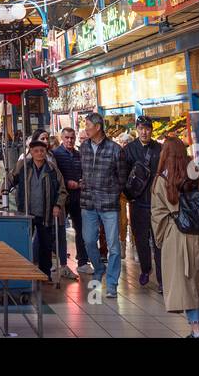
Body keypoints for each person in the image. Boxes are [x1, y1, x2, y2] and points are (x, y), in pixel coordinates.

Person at [152, 136, 199, 336]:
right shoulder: (198, 175)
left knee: (187, 282)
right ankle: (198, 326)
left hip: (177, 235)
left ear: (165, 154)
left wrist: (161, 238)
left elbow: (157, 214)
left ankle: (196, 330)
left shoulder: (161, 180)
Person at [80, 112, 128, 298]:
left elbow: (122, 177)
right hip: (88, 202)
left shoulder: (115, 149)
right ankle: (99, 269)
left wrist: (113, 191)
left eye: (87, 125)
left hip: (109, 204)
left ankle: (112, 283)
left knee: (113, 245)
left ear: (98, 127)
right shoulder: (83, 147)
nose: (85, 129)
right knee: (89, 241)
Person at [6, 137, 67, 280]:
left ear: (46, 152)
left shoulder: (52, 169)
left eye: (42, 151)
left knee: (45, 244)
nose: (39, 153)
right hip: (26, 211)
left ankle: (45, 274)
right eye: (36, 151)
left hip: (46, 212)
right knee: (24, 242)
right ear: (31, 153)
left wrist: (58, 205)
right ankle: (24, 271)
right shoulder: (23, 166)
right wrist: (4, 193)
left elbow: (62, 190)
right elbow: (9, 179)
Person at [123, 116, 164, 290]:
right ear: (137, 129)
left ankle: (163, 279)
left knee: (159, 241)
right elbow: (123, 174)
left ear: (151, 130)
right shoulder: (129, 150)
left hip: (157, 203)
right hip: (138, 203)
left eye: (147, 128)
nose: (144, 132)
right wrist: (128, 195)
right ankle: (146, 269)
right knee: (140, 239)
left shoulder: (160, 149)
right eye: (141, 128)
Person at [51, 127, 91, 278]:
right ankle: (60, 262)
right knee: (59, 230)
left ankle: (82, 261)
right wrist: (68, 183)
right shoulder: (56, 154)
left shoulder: (78, 154)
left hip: (78, 197)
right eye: (67, 137)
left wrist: (81, 182)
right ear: (62, 138)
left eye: (72, 138)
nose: (69, 140)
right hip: (62, 199)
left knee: (81, 229)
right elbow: (56, 175)